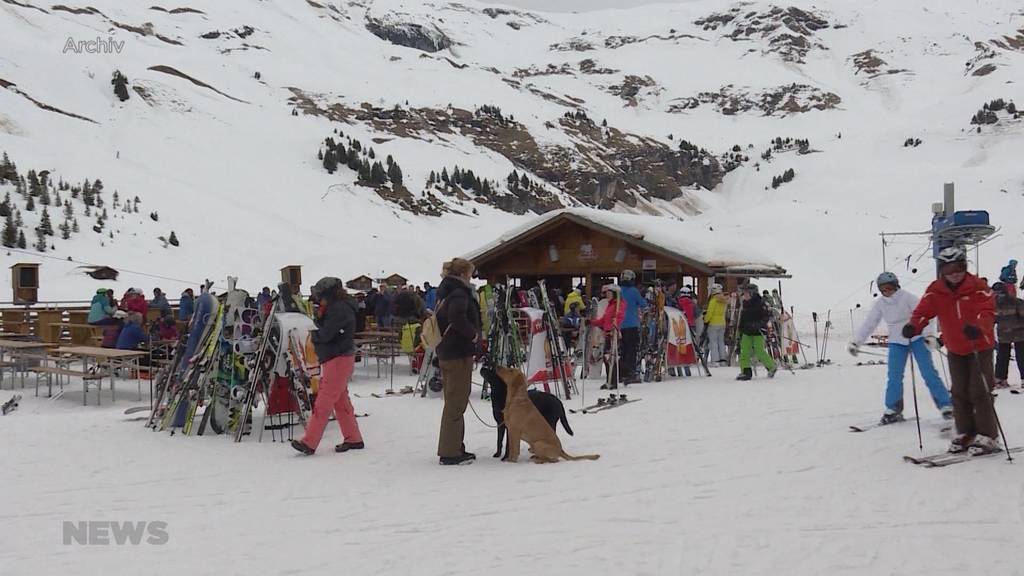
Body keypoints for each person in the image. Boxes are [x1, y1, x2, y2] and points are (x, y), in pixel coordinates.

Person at [903, 246, 998, 455]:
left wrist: (980, 327)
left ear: (965, 266)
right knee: (959, 391)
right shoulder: (936, 291)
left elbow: (988, 310)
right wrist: (913, 325)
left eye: (958, 267)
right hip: (955, 348)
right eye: (948, 268)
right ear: (941, 270)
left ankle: (988, 435)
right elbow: (923, 311)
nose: (954, 273)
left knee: (979, 390)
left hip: (978, 345)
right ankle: (965, 432)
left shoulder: (977, 286)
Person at [848, 272, 952, 423]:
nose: (887, 291)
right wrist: (856, 341)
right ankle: (893, 408)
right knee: (894, 376)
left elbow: (924, 315)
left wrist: (929, 335)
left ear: (896, 285)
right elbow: (869, 323)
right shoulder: (880, 304)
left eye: (890, 287)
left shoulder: (907, 297)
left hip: (916, 337)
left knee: (928, 372)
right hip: (897, 341)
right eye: (883, 289)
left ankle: (946, 405)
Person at [291, 277, 364, 455]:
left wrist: (312, 329)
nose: (318, 297)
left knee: (323, 403)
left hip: (338, 358)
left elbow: (325, 335)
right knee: (341, 402)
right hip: (337, 358)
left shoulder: (339, 309)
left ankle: (309, 442)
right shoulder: (335, 307)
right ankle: (353, 438)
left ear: (328, 294)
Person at [434, 258, 482, 466]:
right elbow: (457, 316)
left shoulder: (446, 292)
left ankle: (454, 445)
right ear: (463, 274)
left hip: (448, 351)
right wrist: (472, 335)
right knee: (456, 402)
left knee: (455, 400)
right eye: (469, 273)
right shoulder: (459, 293)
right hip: (457, 352)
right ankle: (450, 451)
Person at [736, 283, 777, 380]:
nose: (744, 295)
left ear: (752, 293)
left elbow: (766, 317)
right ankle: (746, 372)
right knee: (744, 351)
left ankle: (772, 366)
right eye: (743, 293)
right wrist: (740, 329)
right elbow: (743, 318)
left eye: (746, 293)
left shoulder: (760, 303)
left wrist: (759, 324)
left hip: (758, 331)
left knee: (759, 351)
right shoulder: (745, 304)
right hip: (747, 331)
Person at [991, 282, 1024, 389]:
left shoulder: (993, 304)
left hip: (1004, 335)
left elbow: (991, 320)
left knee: (1002, 357)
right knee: (1021, 356)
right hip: (1019, 334)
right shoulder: (1016, 301)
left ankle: (1000, 379)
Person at [618, 270, 648, 384]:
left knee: (623, 350)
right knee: (632, 350)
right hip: (632, 325)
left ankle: (620, 373)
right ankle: (630, 373)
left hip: (620, 325)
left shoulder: (618, 291)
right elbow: (643, 303)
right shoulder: (634, 291)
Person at [593, 285, 626, 388]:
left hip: (614, 333)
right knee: (607, 357)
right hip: (607, 333)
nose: (607, 295)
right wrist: (592, 322)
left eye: (609, 293)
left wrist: (614, 325)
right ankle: (609, 380)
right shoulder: (610, 305)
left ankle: (614, 381)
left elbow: (620, 316)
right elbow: (603, 320)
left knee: (612, 357)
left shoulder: (619, 304)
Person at [703, 284, 728, 364]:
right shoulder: (724, 301)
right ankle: (723, 360)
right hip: (722, 323)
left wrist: (705, 320)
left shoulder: (713, 301)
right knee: (721, 342)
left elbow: (710, 313)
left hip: (713, 324)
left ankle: (715, 360)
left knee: (713, 342)